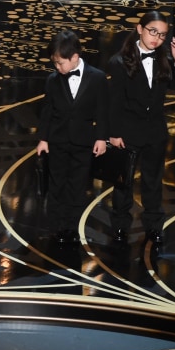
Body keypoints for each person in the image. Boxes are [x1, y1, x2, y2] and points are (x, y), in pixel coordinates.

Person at [106, 10, 175, 245]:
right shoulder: (118, 61)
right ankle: (120, 227)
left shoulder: (164, 58)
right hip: (127, 134)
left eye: (162, 35)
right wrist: (113, 134)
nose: (157, 38)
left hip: (155, 133)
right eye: (153, 31)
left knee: (153, 183)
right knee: (124, 183)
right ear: (140, 29)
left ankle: (153, 227)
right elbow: (114, 102)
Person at [36, 29, 109, 244]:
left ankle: (72, 226)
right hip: (58, 141)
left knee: (77, 186)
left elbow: (103, 111)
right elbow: (47, 110)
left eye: (60, 63)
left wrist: (101, 138)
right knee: (57, 183)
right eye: (55, 63)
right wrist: (43, 138)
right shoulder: (53, 80)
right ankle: (56, 225)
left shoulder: (97, 77)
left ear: (75, 57)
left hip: (84, 141)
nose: (57, 67)